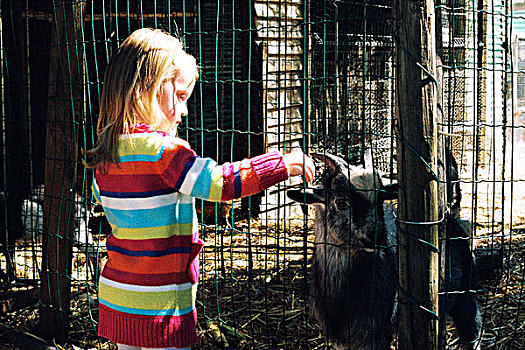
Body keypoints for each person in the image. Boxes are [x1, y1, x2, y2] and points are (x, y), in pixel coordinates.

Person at [84, 28, 315, 350]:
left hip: (119, 296)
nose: (185, 110)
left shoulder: (105, 155)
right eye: (180, 96)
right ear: (147, 88)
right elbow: (219, 183)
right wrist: (281, 164)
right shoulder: (162, 151)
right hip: (161, 304)